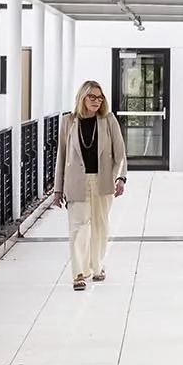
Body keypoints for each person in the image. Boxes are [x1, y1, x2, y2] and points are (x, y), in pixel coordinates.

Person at [54, 79, 126, 289]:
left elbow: (120, 154)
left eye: (99, 97)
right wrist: (58, 189)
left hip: (103, 181)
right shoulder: (68, 121)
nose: (96, 101)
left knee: (100, 226)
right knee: (78, 227)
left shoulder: (108, 120)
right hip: (77, 183)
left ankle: (97, 266)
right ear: (82, 97)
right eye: (92, 97)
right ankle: (79, 273)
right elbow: (62, 156)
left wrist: (120, 178)